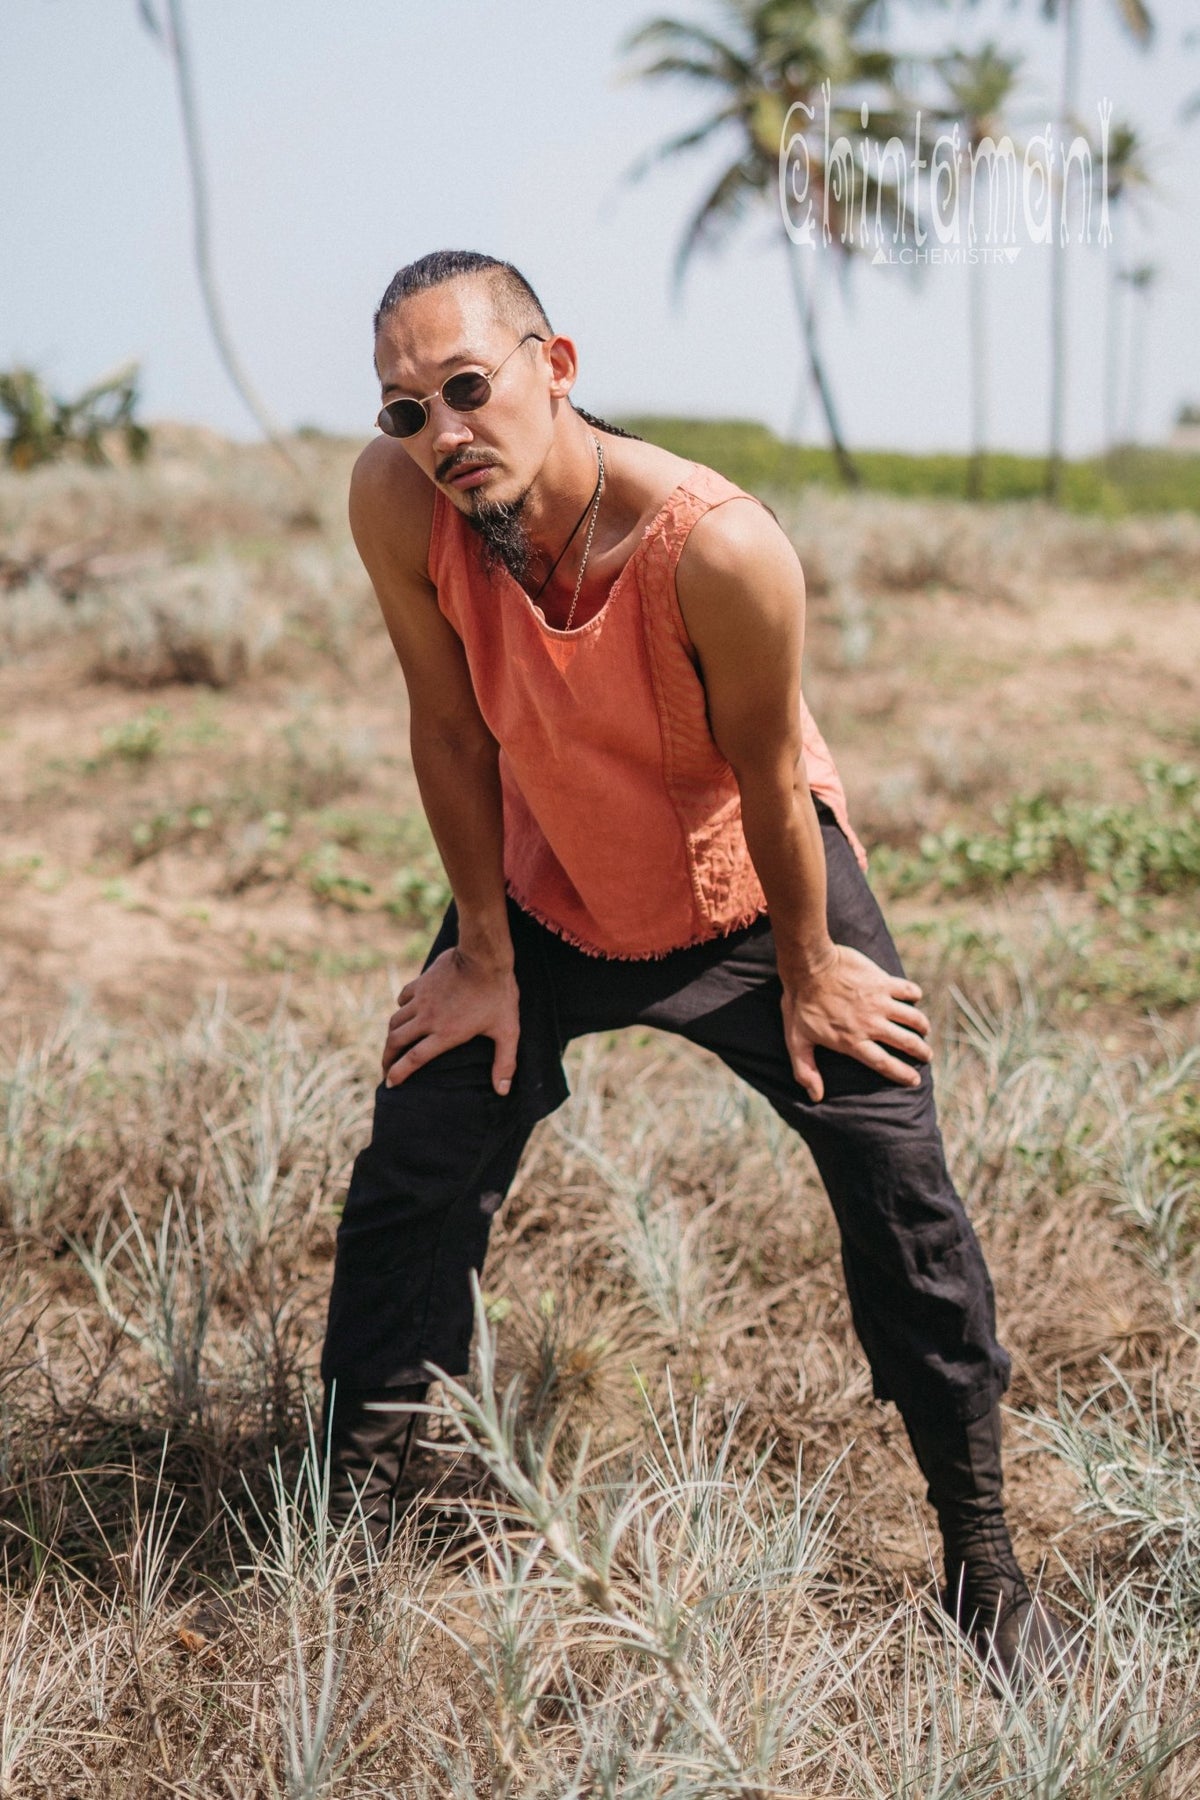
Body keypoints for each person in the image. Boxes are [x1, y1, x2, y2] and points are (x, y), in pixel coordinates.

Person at [320, 249, 1073, 1684]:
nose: (440, 433)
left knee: (900, 1187)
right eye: (406, 409)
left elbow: (773, 779)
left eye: (467, 389)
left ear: (558, 367)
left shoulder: (718, 545)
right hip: (542, 883)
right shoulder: (395, 497)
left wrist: (810, 968)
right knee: (417, 1157)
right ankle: (355, 1522)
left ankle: (985, 1562)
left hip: (746, 886)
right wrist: (481, 953)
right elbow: (448, 728)